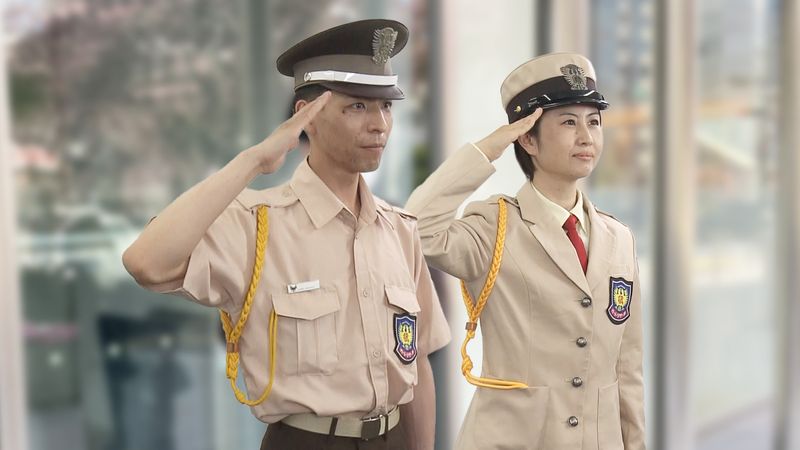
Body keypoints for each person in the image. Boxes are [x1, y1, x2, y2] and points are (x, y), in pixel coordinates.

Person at [122, 19, 450, 450]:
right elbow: (145, 263)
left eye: (386, 106)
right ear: (305, 116)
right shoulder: (256, 225)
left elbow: (418, 361)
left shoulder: (399, 230)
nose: (379, 125)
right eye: (357, 106)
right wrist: (254, 162)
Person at [405, 52, 646, 449]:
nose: (586, 137)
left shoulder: (619, 239)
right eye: (568, 122)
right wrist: (489, 148)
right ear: (528, 139)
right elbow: (417, 227)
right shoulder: (495, 227)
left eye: (593, 122)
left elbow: (628, 369)